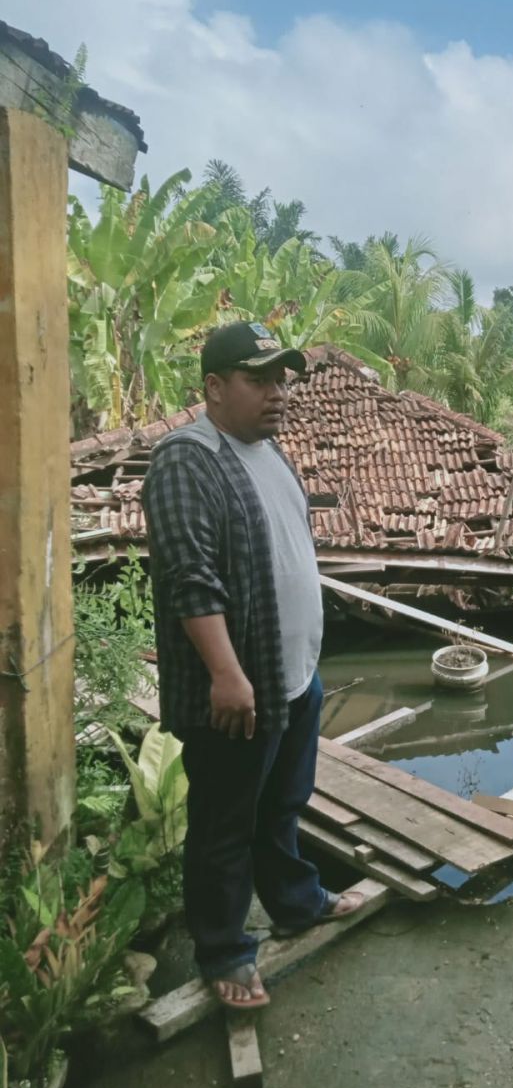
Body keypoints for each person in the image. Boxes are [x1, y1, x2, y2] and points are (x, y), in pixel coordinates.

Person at [143, 320, 362, 1011]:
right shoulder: (187, 460)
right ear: (214, 387)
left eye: (281, 378)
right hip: (240, 685)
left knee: (282, 805)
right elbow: (189, 578)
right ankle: (225, 950)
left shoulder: (268, 452)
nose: (278, 392)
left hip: (292, 675)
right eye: (258, 378)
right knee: (225, 824)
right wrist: (226, 673)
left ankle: (296, 902)